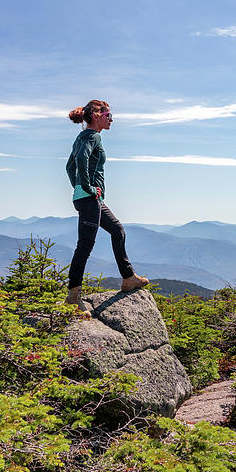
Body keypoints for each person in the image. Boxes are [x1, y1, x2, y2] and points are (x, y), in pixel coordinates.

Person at [65, 99, 148, 314]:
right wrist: (87, 188)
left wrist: (80, 187)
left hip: (91, 199)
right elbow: (80, 160)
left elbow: (69, 166)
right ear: (96, 115)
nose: (111, 119)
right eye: (108, 114)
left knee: (117, 230)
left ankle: (128, 278)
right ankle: (73, 295)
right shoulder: (91, 136)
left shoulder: (86, 137)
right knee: (85, 245)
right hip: (89, 198)